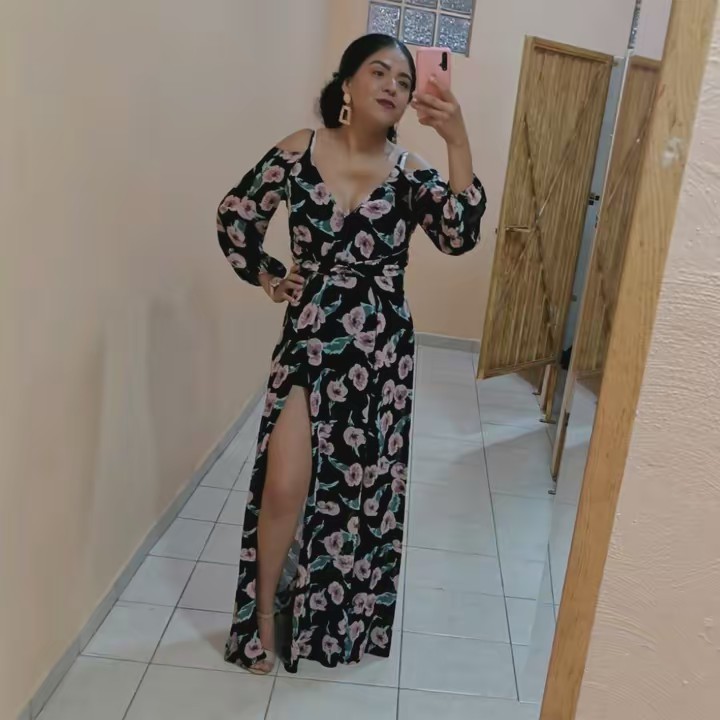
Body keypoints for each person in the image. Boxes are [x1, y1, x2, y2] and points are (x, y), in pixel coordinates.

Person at [216, 33, 486, 675]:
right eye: (378, 71)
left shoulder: (412, 171)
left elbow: (458, 234)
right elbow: (236, 217)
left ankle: (332, 622)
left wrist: (457, 141)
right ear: (346, 84)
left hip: (380, 356)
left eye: (403, 79)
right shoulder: (299, 150)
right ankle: (262, 618)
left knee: (357, 495)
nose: (393, 85)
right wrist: (270, 276)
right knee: (284, 485)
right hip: (308, 343)